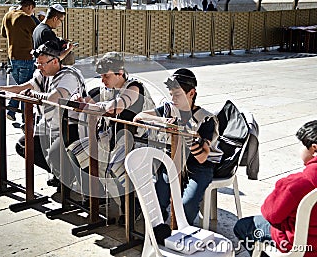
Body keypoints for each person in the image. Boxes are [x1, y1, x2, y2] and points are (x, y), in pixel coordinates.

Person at [67, 52, 155, 222]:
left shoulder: (134, 87)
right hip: (112, 139)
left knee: (115, 165)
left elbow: (118, 106)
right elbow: (85, 100)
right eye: (101, 76)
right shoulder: (107, 89)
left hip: (140, 141)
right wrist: (77, 98)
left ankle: (132, 207)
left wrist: (97, 105)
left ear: (120, 73)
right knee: (76, 152)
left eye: (106, 76)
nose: (102, 80)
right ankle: (100, 196)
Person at [0, 42, 86, 179]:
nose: (39, 67)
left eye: (42, 64)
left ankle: (67, 180)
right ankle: (61, 176)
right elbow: (24, 87)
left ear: (55, 61)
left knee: (53, 155)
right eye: (37, 64)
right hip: (50, 125)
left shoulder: (69, 75)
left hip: (71, 125)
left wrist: (33, 94)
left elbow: (53, 99)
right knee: (23, 146)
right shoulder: (43, 74)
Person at [133, 68, 222, 224]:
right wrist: (163, 121)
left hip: (198, 168)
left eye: (178, 94)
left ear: (191, 93)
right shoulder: (169, 110)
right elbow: (139, 117)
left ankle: (183, 233)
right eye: (172, 94)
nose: (173, 98)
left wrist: (186, 134)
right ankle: (158, 231)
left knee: (186, 206)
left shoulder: (205, 118)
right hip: (173, 162)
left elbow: (202, 157)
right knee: (157, 201)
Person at [234, 120, 317, 256]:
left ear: (314, 149)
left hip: (302, 246)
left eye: (302, 145)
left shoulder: (297, 182)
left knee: (244, 226)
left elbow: (271, 214)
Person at [1, 0, 37, 123]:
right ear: (29, 6)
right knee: (25, 89)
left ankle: (12, 109)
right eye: (32, 10)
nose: (32, 13)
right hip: (26, 56)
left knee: (20, 86)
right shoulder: (26, 18)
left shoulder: (8, 15)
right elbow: (37, 34)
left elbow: (4, 34)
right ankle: (25, 119)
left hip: (13, 57)